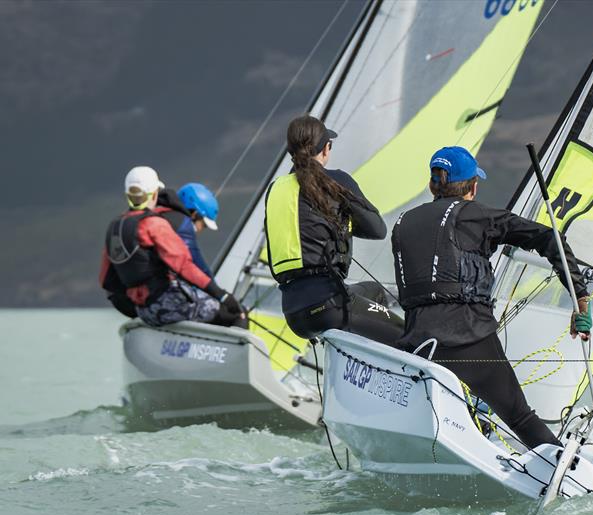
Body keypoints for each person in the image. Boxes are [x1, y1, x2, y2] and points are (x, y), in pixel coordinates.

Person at [391, 146, 593, 449]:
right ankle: (561, 472)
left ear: (433, 184)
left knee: (464, 407)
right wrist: (580, 296)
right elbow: (550, 238)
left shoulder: (403, 222)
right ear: (473, 186)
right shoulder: (478, 215)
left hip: (418, 346)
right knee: (519, 417)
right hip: (471, 341)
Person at [264, 115, 403, 345]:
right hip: (330, 304)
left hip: (293, 312)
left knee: (374, 292)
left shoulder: (275, 189)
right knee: (408, 337)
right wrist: (345, 220)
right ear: (326, 149)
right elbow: (377, 229)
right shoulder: (337, 181)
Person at [100, 166, 246, 328]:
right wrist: (223, 296)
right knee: (234, 314)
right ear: (155, 193)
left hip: (143, 311)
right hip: (170, 306)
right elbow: (184, 266)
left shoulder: (114, 227)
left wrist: (137, 301)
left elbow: (106, 280)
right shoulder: (154, 224)